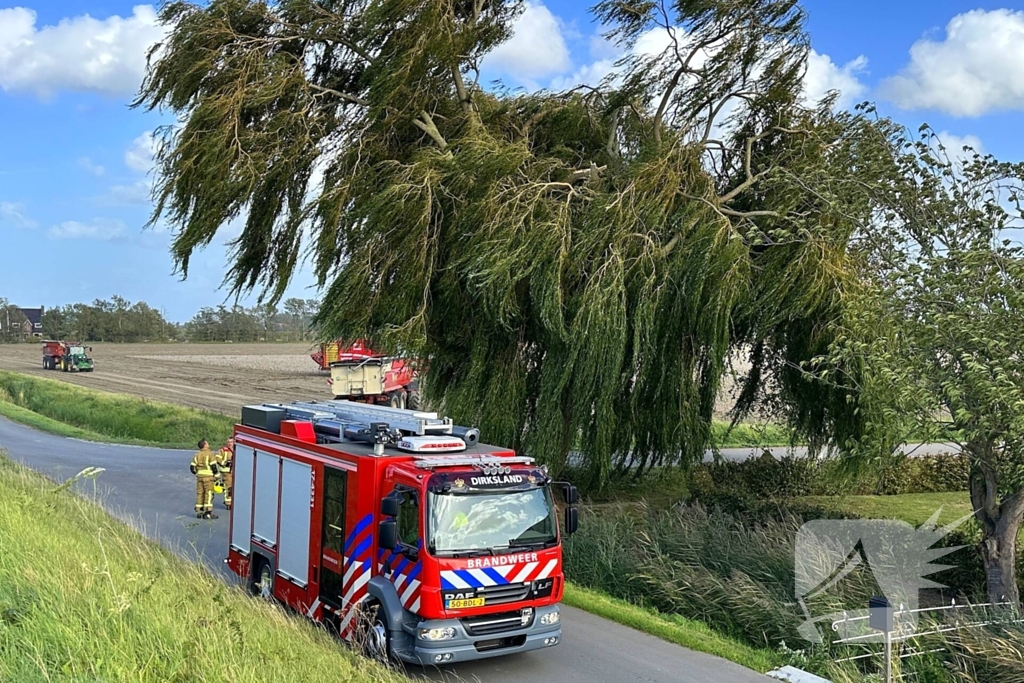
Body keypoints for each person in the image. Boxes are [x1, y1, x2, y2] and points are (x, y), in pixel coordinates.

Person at [190, 439, 219, 519]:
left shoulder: (197, 455)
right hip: (208, 477)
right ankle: (208, 513)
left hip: (200, 477)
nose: (208, 444)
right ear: (205, 445)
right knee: (208, 494)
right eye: (207, 443)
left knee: (200, 493)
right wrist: (216, 475)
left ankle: (199, 511)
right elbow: (213, 466)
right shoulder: (210, 454)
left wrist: (197, 474)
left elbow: (192, 468)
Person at [216, 437, 235, 510]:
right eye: (228, 442)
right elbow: (217, 458)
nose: (229, 443)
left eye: (231, 442)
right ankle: (228, 503)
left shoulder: (237, 450)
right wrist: (225, 463)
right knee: (229, 487)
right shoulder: (222, 450)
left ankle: (232, 501)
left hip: (235, 471)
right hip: (226, 471)